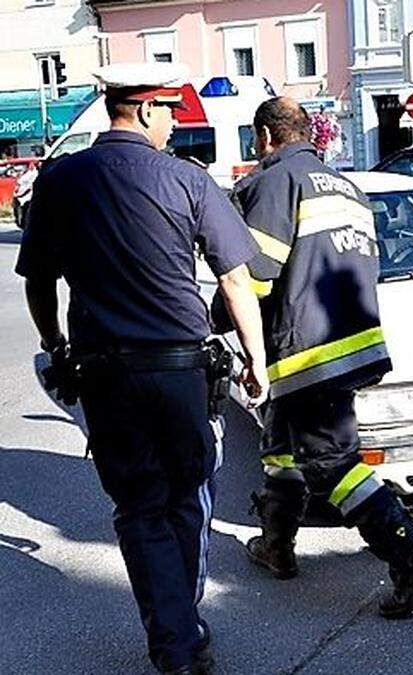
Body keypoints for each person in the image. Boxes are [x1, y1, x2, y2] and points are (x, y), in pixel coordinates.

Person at [16, 62, 269, 675]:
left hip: (103, 374)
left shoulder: (61, 178)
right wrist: (255, 358)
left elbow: (39, 281)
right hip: (180, 371)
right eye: (171, 114)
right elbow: (236, 276)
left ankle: (176, 636)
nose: (175, 126)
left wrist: (55, 342)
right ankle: (183, 632)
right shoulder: (186, 180)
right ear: (149, 109)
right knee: (185, 498)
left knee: (139, 506)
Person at [232, 97, 413, 618]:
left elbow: (257, 274)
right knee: (281, 448)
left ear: (265, 136)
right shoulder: (345, 185)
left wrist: (228, 318)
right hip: (350, 341)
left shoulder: (275, 181)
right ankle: (277, 547)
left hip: (307, 351)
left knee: (332, 463)